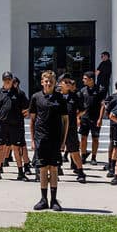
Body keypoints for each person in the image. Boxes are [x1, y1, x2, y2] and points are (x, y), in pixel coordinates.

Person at [28, 71, 68, 211]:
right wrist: (33, 140)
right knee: (43, 169)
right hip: (41, 139)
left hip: (55, 139)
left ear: (54, 82)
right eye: (46, 81)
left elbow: (65, 121)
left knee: (54, 169)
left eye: (51, 81)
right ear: (42, 82)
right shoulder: (36, 97)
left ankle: (54, 200)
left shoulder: (60, 98)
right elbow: (32, 120)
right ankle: (43, 199)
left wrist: (63, 141)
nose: (48, 83)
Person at [0, 72, 27, 181]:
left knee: (16, 148)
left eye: (9, 79)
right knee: (0, 147)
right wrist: (3, 116)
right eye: (5, 79)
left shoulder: (19, 93)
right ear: (3, 80)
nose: (7, 81)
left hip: (15, 125)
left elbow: (25, 109)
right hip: (2, 125)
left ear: (12, 80)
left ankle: (20, 172)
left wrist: (16, 117)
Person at [58, 75, 87, 183]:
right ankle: (56, 169)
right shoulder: (56, 96)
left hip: (71, 127)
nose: (68, 84)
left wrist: (76, 116)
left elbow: (83, 109)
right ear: (61, 84)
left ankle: (80, 172)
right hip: (58, 127)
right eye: (66, 82)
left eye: (70, 83)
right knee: (56, 150)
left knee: (74, 150)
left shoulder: (75, 96)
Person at [78, 71, 103, 164]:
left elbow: (102, 105)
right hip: (84, 118)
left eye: (85, 78)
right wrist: (78, 118)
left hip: (95, 118)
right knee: (83, 138)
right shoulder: (82, 90)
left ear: (91, 79)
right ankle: (83, 156)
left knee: (95, 138)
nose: (83, 80)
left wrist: (100, 119)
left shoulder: (100, 90)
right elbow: (79, 105)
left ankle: (93, 157)